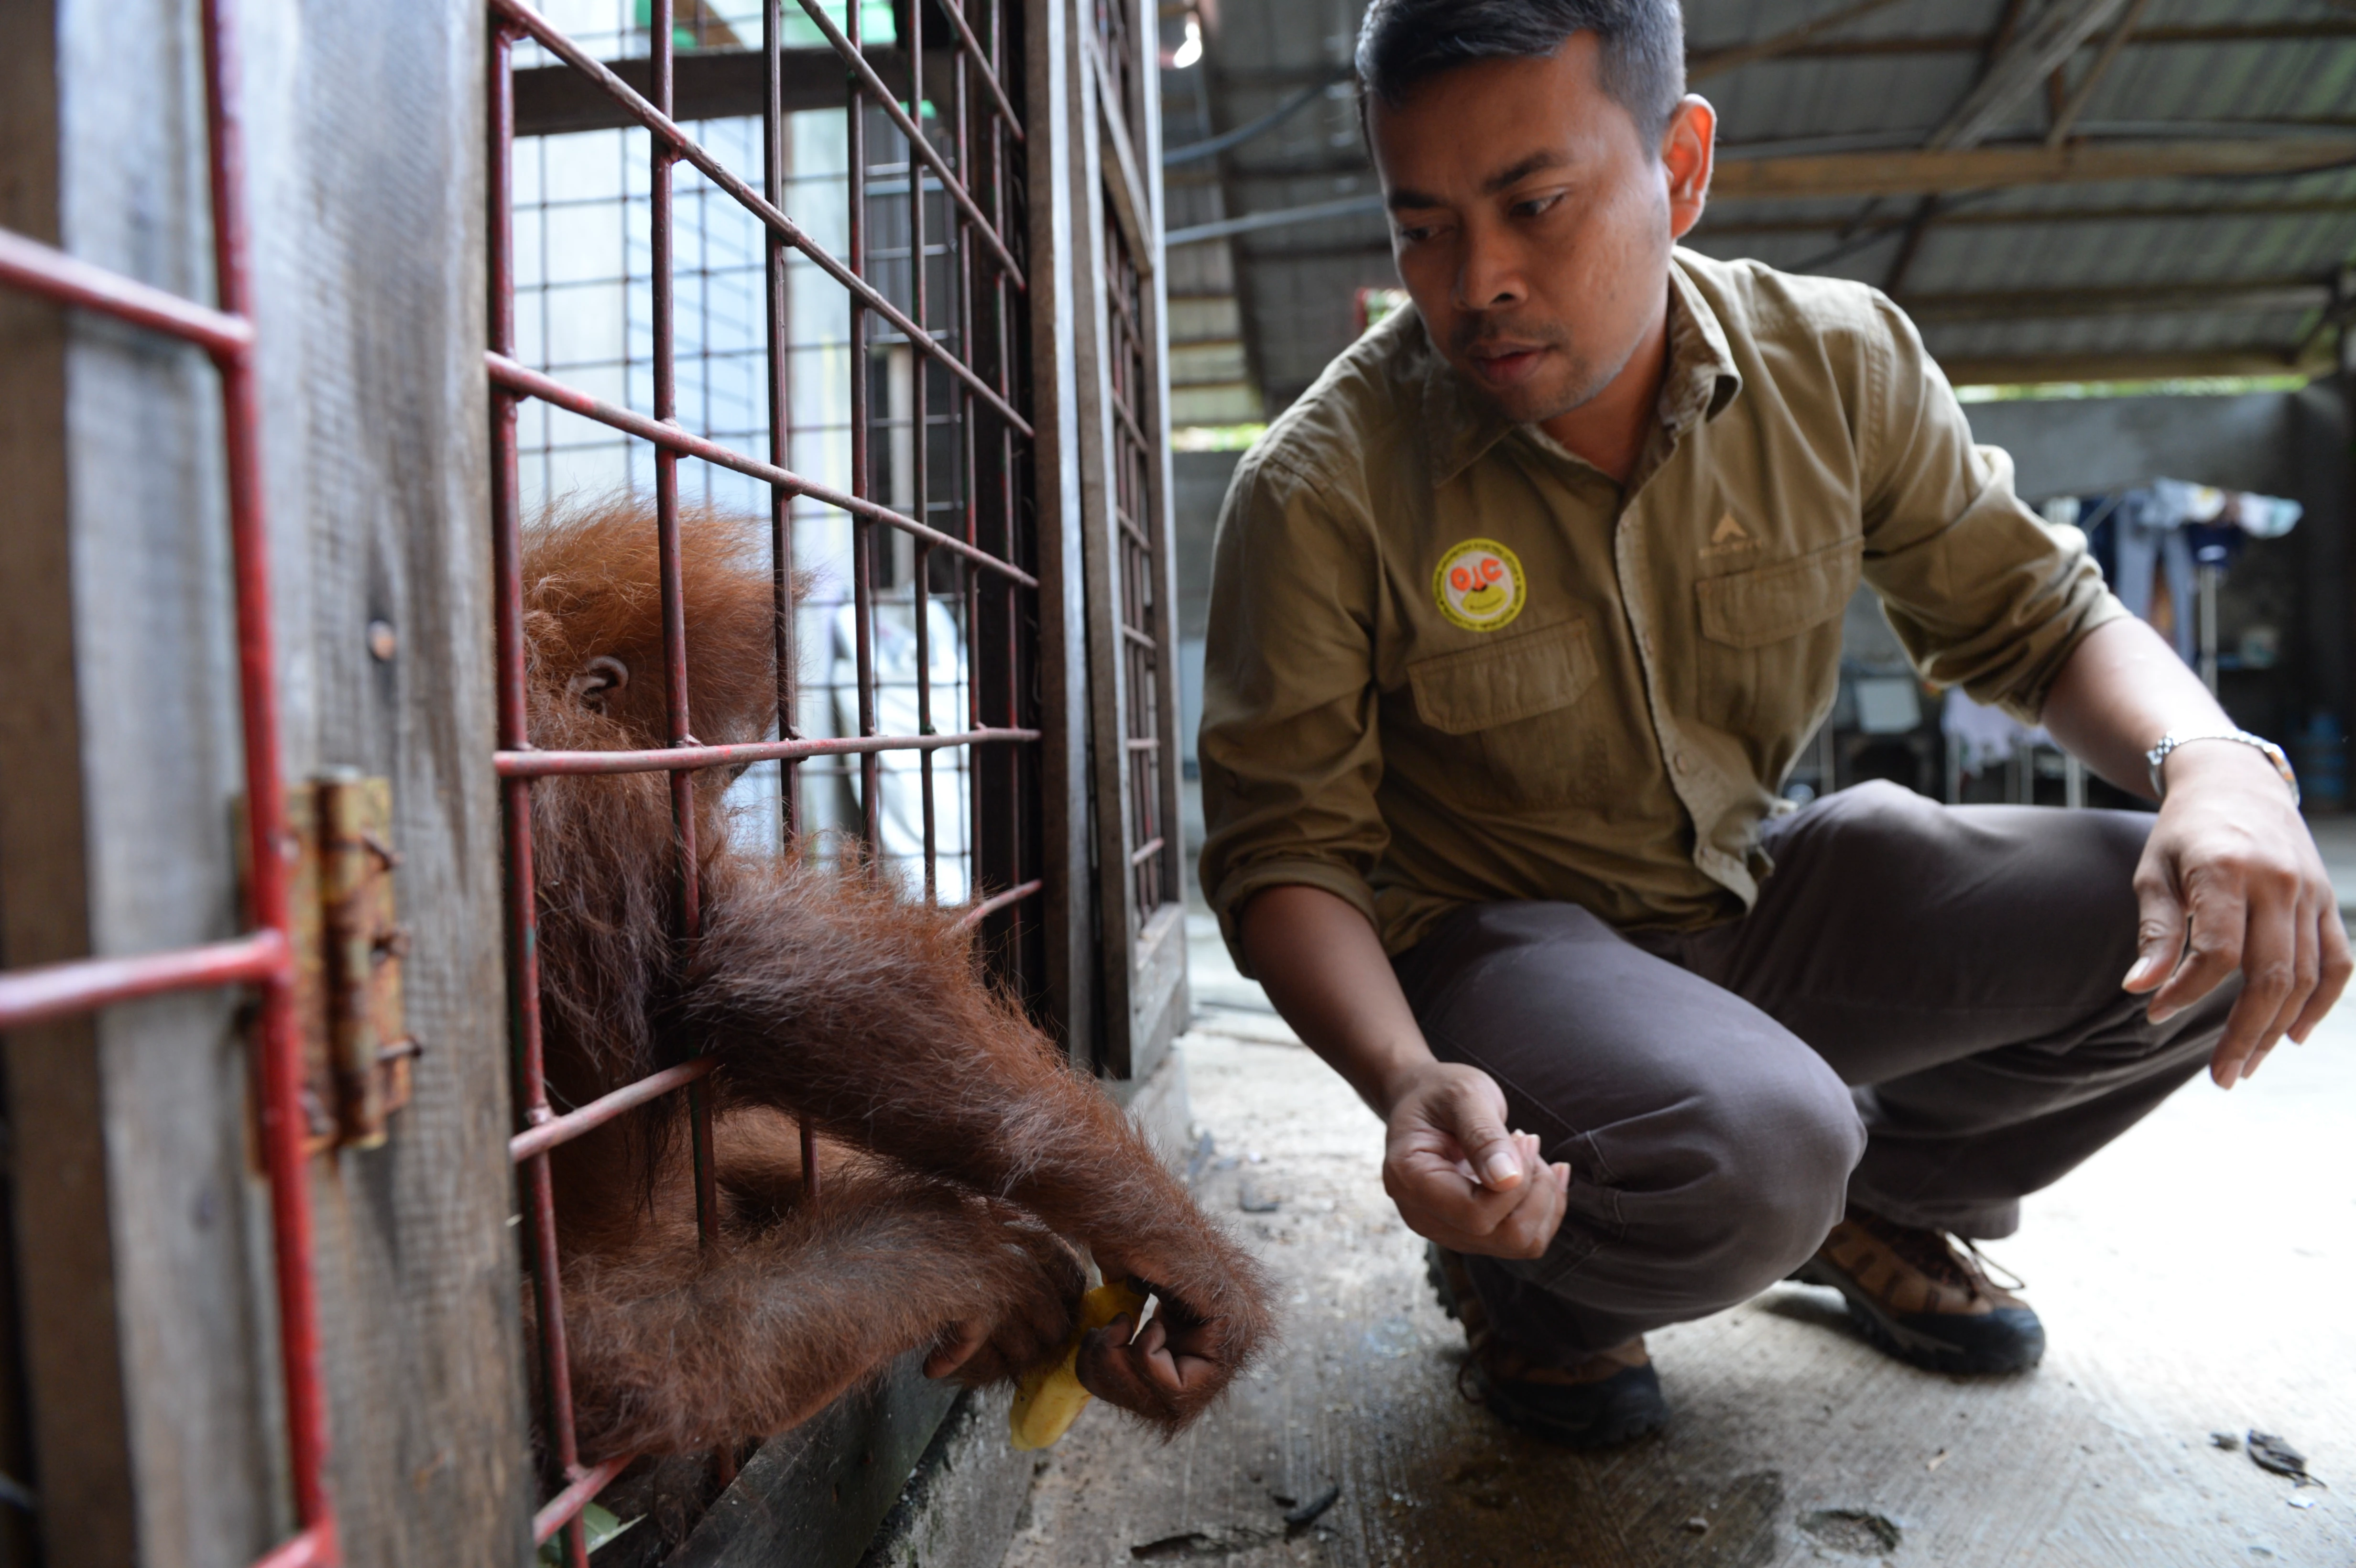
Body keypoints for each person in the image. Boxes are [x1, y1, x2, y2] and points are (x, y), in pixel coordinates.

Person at [1196, 0, 2350, 1448]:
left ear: (1680, 167)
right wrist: (1406, 1078)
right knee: (1759, 1150)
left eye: (1534, 205)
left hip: (1754, 890)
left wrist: (2222, 772)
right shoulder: (1321, 486)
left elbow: (2043, 620)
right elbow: (1284, 852)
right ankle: (1533, 1284)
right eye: (1421, 226)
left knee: (2223, 910)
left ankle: (1878, 1204)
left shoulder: (1837, 365)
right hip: (1503, 954)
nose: (1476, 279)